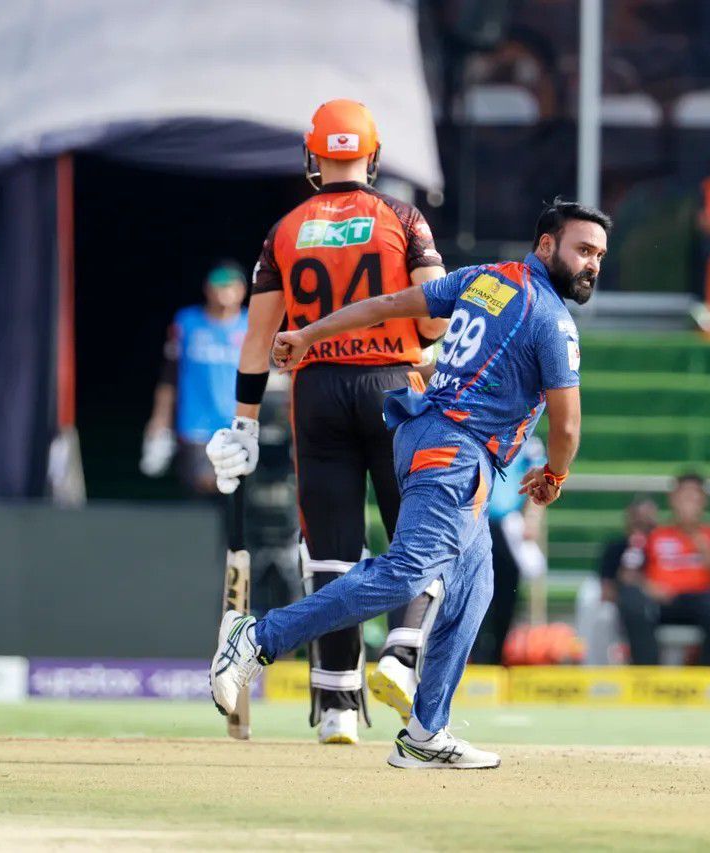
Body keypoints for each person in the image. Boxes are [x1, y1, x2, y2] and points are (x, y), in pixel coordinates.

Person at [211, 198, 609, 769]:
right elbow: (567, 425)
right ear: (546, 245)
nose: (592, 263)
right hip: (455, 450)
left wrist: (310, 335)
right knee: (406, 573)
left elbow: (393, 304)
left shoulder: (485, 278)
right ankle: (257, 638)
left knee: (474, 591)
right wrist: (554, 475)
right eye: (583, 249)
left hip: (426, 434)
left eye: (599, 254)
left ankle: (426, 733)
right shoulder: (553, 319)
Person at [203, 100, 449, 745]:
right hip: (395, 385)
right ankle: (400, 654)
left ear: (314, 158)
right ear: (372, 154)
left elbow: (257, 340)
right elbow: (437, 318)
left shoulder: (286, 227)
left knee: (331, 551)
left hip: (316, 393)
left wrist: (245, 426)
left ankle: (337, 703)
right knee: (417, 537)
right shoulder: (402, 217)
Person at [141, 262, 248, 495]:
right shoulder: (187, 322)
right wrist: (160, 420)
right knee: (206, 484)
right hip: (196, 426)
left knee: (241, 492)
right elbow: (170, 376)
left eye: (231, 286)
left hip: (239, 426)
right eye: (219, 286)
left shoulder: (253, 325)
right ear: (207, 289)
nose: (225, 292)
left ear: (242, 290)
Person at [616, 473, 710, 666]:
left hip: (702, 601)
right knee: (631, 597)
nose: (688, 503)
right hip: (661, 601)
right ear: (672, 500)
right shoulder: (652, 535)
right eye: (683, 497)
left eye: (694, 497)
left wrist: (699, 541)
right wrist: (648, 586)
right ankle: (647, 673)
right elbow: (627, 574)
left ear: (704, 502)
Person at [470, 435, 548, 664]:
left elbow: (538, 479)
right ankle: (472, 654)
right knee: (474, 591)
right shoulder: (480, 430)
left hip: (507, 525)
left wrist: (532, 518)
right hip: (476, 523)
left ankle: (496, 655)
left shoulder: (527, 441)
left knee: (505, 594)